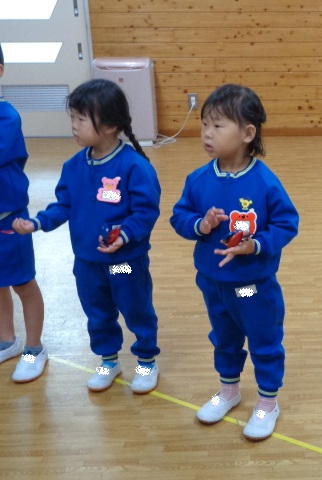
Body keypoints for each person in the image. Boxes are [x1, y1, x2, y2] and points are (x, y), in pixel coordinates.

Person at [13, 79, 162, 394]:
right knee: (97, 313)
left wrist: (125, 235)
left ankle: (146, 361)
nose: (74, 126)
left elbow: (146, 212)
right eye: (73, 118)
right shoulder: (73, 166)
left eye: (81, 119)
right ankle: (108, 360)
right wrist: (37, 223)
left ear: (109, 125)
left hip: (124, 262)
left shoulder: (134, 167)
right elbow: (63, 205)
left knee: (136, 309)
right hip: (87, 263)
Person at [170, 84, 299, 440]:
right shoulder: (198, 179)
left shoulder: (265, 182)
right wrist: (201, 224)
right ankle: (228, 390)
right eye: (204, 125)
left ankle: (268, 402)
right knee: (224, 338)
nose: (207, 134)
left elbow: (287, 223)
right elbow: (179, 216)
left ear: (247, 133)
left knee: (263, 340)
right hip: (213, 284)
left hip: (251, 287)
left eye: (218, 126)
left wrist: (256, 245)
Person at [0, 44, 48, 383]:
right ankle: (8, 340)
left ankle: (34, 348)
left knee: (23, 283)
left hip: (9, 220)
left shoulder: (7, 116)